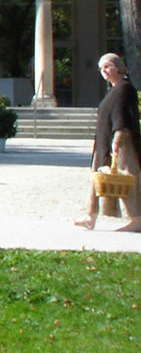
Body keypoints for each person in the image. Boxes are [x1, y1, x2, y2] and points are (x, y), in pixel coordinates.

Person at [76, 52, 141, 232]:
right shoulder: (114, 89)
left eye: (108, 66)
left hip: (122, 143)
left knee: (127, 179)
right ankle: (91, 216)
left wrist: (118, 139)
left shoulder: (125, 89)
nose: (104, 70)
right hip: (105, 142)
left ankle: (137, 219)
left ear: (119, 67)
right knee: (98, 178)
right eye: (101, 68)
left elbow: (124, 117)